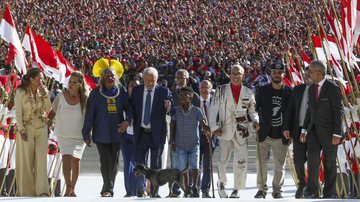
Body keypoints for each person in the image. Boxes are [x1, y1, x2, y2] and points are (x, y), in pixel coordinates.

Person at [82, 58, 132, 197]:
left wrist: (127, 121)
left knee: (114, 162)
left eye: (112, 75)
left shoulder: (121, 91)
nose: (110, 78)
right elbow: (89, 115)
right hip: (101, 132)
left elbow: (129, 108)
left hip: (117, 132)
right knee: (105, 160)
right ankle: (108, 189)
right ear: (101, 77)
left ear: (116, 77)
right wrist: (86, 133)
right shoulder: (95, 93)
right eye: (107, 75)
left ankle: (108, 187)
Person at [209, 64, 259, 198]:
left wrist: (255, 121)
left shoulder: (248, 92)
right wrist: (214, 127)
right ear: (229, 74)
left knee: (241, 160)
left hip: (242, 129)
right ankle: (222, 182)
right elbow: (213, 110)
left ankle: (237, 188)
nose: (236, 76)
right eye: (233, 73)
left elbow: (252, 112)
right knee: (223, 159)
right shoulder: (220, 90)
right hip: (224, 129)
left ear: (243, 76)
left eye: (239, 74)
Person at [300, 60, 344, 198]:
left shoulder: (333, 88)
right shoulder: (311, 88)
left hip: (331, 133)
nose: (308, 74)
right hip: (313, 131)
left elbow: (339, 111)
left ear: (319, 73)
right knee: (312, 161)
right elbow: (309, 111)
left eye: (311, 71)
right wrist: (304, 130)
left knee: (329, 163)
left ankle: (329, 193)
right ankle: (312, 191)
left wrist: (337, 133)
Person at [130, 67, 172, 197]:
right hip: (141, 133)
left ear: (157, 79)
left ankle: (154, 191)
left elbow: (172, 107)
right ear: (143, 79)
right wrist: (128, 119)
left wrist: (169, 106)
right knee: (140, 163)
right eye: (147, 80)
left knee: (155, 165)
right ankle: (141, 189)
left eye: (153, 81)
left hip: (157, 133)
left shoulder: (164, 91)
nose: (150, 83)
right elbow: (131, 107)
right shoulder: (136, 91)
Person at [254, 62, 292, 199]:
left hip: (281, 134)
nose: (276, 74)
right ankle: (261, 189)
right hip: (264, 133)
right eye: (274, 72)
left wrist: (291, 133)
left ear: (284, 74)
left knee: (279, 166)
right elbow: (254, 109)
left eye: (279, 72)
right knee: (261, 164)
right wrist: (255, 122)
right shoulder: (262, 90)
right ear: (271, 73)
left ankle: (277, 190)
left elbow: (292, 113)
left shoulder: (289, 91)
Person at [48, 71, 89, 197]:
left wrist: (89, 133)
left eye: (74, 83)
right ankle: (68, 187)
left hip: (79, 136)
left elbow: (90, 118)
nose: (71, 85)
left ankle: (73, 189)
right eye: (70, 82)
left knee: (76, 161)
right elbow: (51, 114)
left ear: (80, 85)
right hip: (63, 135)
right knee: (66, 159)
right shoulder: (60, 96)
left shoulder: (86, 99)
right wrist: (46, 126)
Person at [14, 67, 52, 196]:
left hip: (41, 127)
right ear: (31, 79)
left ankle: (43, 191)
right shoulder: (21, 91)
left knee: (42, 160)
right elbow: (18, 112)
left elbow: (49, 108)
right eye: (39, 78)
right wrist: (21, 129)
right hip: (26, 128)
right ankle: (26, 192)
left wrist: (45, 93)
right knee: (26, 161)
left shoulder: (43, 90)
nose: (42, 80)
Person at [170, 87, 211, 198]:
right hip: (180, 144)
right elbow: (173, 126)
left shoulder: (197, 110)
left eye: (185, 95)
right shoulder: (176, 110)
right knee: (183, 168)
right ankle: (187, 189)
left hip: (194, 143)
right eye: (180, 95)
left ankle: (195, 187)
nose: (182, 97)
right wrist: (172, 141)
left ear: (191, 97)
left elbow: (203, 124)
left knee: (195, 166)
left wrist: (209, 130)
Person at [283, 67, 312, 198]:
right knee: (298, 160)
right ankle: (302, 183)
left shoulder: (320, 90)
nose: (306, 76)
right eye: (304, 74)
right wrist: (286, 128)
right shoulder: (297, 89)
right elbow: (290, 110)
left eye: (309, 74)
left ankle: (313, 185)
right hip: (298, 129)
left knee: (313, 160)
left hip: (314, 131)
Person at [121, 77, 140, 197]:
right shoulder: (122, 100)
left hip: (138, 135)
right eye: (132, 85)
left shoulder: (142, 100)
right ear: (127, 88)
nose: (134, 88)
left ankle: (139, 189)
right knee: (127, 163)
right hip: (125, 134)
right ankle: (129, 191)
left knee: (138, 163)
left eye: (137, 85)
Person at [199, 80, 218, 198]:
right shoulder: (195, 100)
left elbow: (220, 117)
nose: (205, 90)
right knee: (196, 164)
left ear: (211, 89)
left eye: (207, 87)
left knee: (208, 165)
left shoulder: (216, 102)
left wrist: (212, 130)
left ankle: (205, 190)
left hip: (211, 136)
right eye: (202, 87)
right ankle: (194, 188)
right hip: (197, 136)